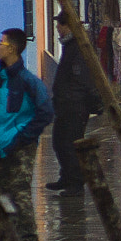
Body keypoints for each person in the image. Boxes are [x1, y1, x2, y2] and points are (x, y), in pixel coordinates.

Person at [0, 29, 55, 241]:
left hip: (21, 146)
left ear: (11, 48)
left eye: (1, 43)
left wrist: (24, 137)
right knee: (3, 194)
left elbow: (45, 112)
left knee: (20, 193)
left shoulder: (28, 81)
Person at [48, 15, 102, 190]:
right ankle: (67, 177)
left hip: (74, 104)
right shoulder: (70, 45)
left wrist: (71, 97)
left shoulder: (78, 47)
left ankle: (75, 182)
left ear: (68, 26)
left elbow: (80, 77)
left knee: (69, 143)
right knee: (59, 141)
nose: (57, 28)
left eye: (60, 25)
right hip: (66, 103)